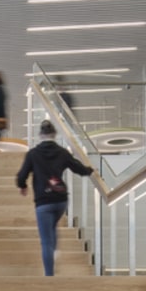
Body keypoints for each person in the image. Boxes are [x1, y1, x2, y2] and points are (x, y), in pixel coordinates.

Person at [15, 118, 94, 278]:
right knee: (52, 226)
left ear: (40, 135)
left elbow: (21, 176)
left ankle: (49, 276)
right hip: (61, 200)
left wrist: (22, 186)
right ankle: (55, 251)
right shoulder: (62, 152)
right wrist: (91, 170)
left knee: (46, 241)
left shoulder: (33, 154)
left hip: (43, 202)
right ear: (55, 134)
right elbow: (79, 168)